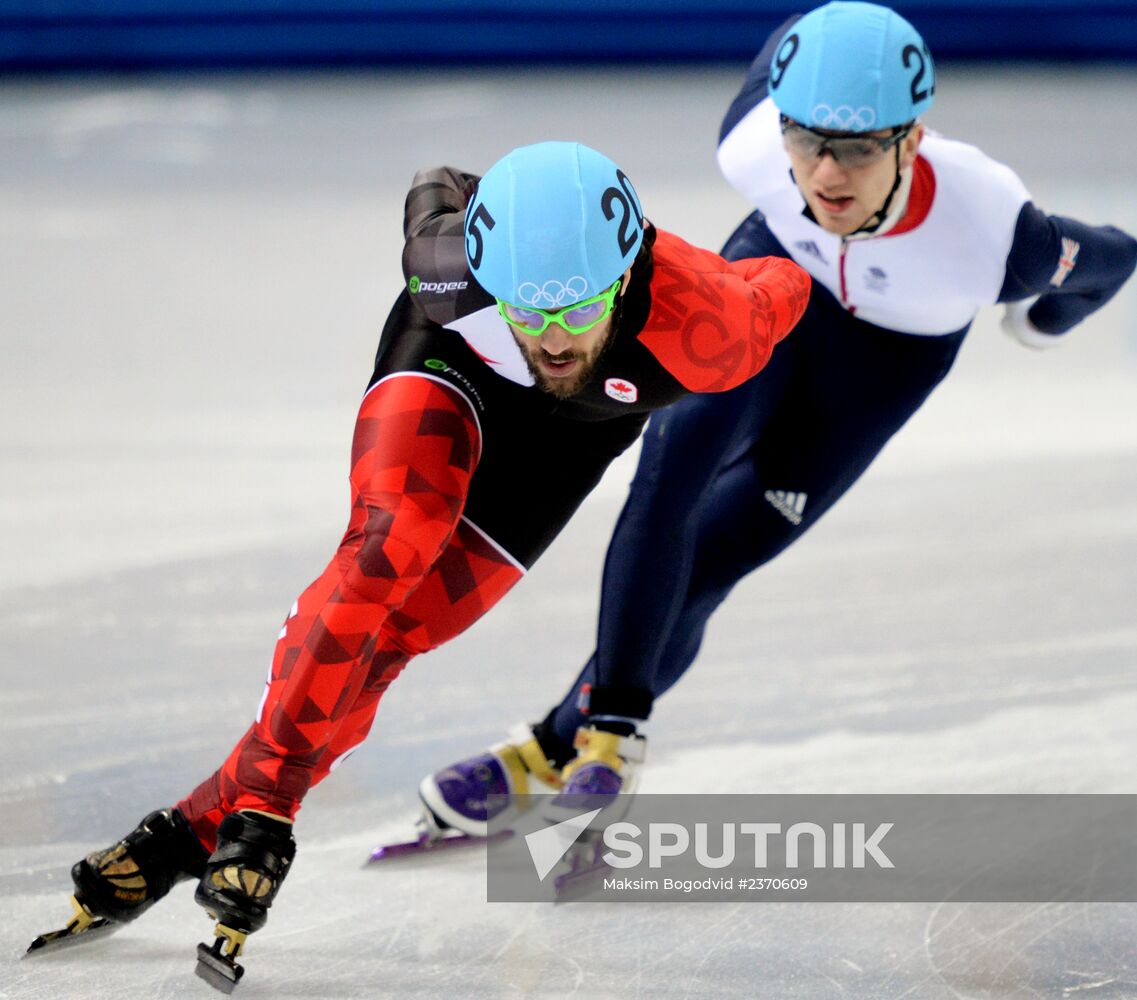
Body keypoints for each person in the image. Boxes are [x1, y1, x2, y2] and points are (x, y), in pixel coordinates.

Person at [46, 141, 809, 977]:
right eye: (529, 307)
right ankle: (262, 805)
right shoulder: (447, 265)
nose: (551, 340)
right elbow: (436, 177)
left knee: (402, 633)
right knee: (387, 547)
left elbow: (795, 279)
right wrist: (269, 807)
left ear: (626, 278)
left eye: (577, 310)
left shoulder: (714, 325)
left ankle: (189, 833)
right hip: (449, 364)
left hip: (567, 442)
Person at [421, 2, 1137, 833]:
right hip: (769, 283)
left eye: (861, 147)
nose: (827, 174)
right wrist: (619, 727)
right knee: (666, 484)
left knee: (711, 561)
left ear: (912, 136)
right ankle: (608, 731)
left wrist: (1044, 319)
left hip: (880, 365)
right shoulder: (751, 137)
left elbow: (1113, 257)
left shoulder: (996, 239)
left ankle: (553, 743)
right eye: (806, 140)